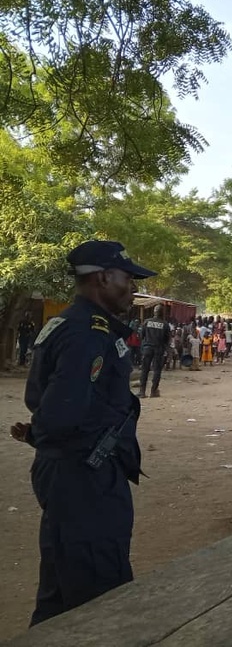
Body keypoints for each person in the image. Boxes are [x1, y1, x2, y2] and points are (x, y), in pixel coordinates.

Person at [9, 240, 154, 626]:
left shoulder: (73, 324)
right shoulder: (88, 333)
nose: (133, 288)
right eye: (128, 278)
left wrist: (40, 435)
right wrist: (45, 434)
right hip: (85, 477)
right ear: (104, 278)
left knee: (61, 591)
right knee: (99, 598)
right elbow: (62, 412)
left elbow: (51, 402)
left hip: (74, 472)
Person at [138, 304, 171, 398]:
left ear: (154, 312)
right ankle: (153, 391)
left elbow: (141, 336)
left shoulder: (146, 322)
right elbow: (167, 340)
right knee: (157, 370)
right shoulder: (165, 324)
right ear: (162, 313)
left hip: (147, 348)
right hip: (159, 349)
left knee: (144, 370)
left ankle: (142, 392)